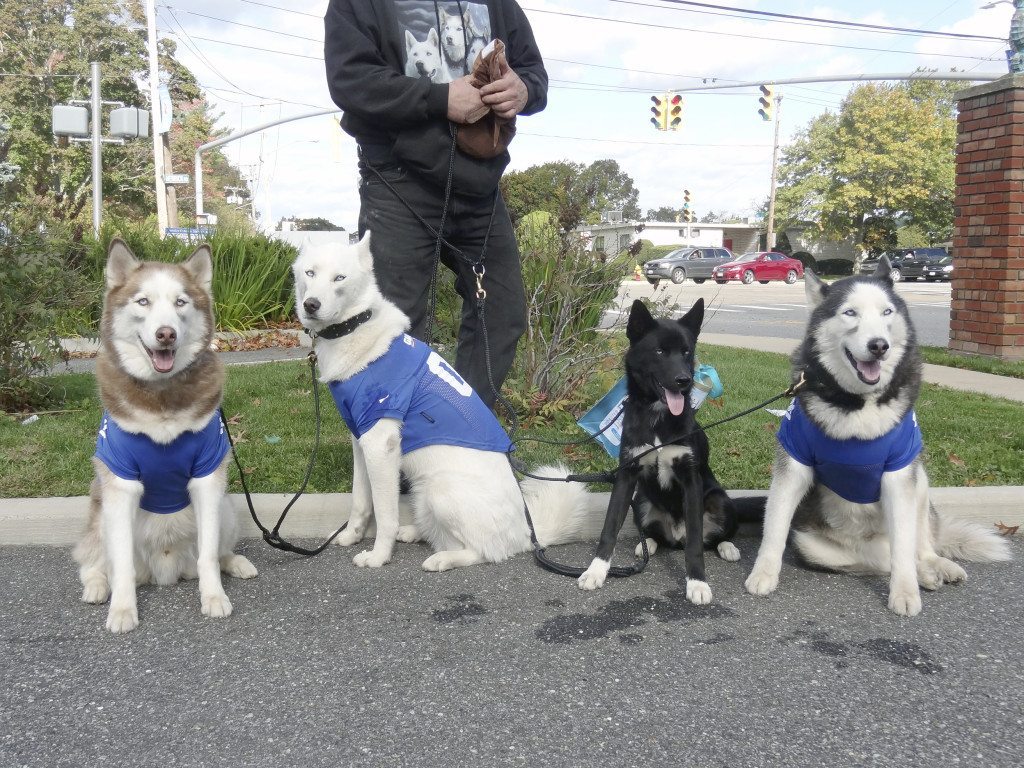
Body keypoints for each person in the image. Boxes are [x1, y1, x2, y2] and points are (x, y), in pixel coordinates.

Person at [323, 0, 548, 408]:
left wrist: (523, 89)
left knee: (501, 314)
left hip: (480, 183)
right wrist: (438, 98)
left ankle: (462, 436)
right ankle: (402, 456)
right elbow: (349, 80)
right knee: (395, 328)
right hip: (396, 179)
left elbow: (534, 73)